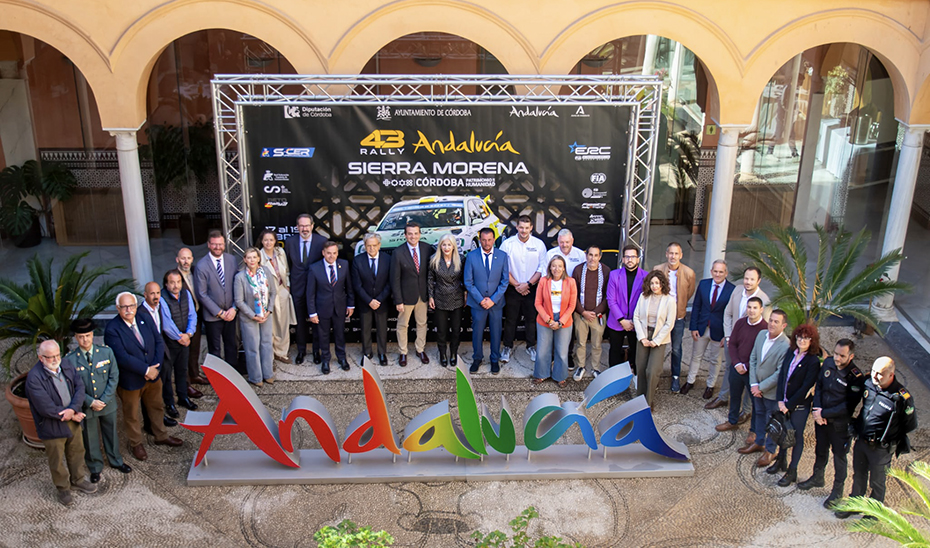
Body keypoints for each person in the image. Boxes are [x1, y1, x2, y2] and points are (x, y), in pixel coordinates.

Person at [104, 292, 183, 462]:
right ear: (118, 308)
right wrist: (146, 370)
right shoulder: (112, 329)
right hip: (131, 380)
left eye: (131, 306)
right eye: (124, 307)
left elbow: (158, 342)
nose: (128, 310)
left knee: (156, 407)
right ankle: (136, 444)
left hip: (153, 376)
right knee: (132, 414)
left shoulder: (145, 318)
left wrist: (156, 367)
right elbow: (122, 357)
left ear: (136, 305)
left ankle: (161, 436)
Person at [835, 357, 918, 519]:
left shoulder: (901, 398)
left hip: (881, 448)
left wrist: (890, 436)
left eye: (880, 374)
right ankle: (855, 504)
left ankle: (874, 512)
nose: (875, 376)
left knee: (877, 482)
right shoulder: (869, 383)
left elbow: (910, 425)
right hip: (862, 441)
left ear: (891, 375)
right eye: (873, 371)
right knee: (859, 475)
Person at [26, 340, 96, 506]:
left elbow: (80, 386)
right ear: (41, 358)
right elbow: (45, 407)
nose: (55, 359)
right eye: (50, 357)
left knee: (77, 451)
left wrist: (73, 408)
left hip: (72, 417)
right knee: (56, 459)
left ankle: (78, 480)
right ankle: (63, 488)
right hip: (51, 425)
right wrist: (72, 414)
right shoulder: (34, 378)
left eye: (57, 355)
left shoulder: (66, 364)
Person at [63, 319, 132, 484]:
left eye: (87, 335)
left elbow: (114, 377)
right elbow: (71, 385)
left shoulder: (106, 352)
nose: (85, 340)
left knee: (111, 433)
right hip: (87, 406)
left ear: (93, 335)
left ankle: (116, 460)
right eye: (81, 337)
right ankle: (95, 467)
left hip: (107, 403)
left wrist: (104, 399)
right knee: (90, 437)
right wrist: (90, 402)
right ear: (76, 337)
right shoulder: (70, 360)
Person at [798, 339, 865, 509]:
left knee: (839, 457)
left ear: (851, 356)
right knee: (820, 449)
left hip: (839, 424)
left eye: (842, 356)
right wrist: (817, 409)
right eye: (835, 354)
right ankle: (817, 477)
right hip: (821, 419)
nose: (837, 358)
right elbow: (819, 386)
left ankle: (837, 491)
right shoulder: (828, 363)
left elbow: (848, 406)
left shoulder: (855, 377)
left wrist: (824, 413)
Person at [706, 267, 770, 413]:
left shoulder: (765, 300)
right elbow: (727, 313)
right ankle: (723, 397)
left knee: (750, 376)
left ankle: (746, 410)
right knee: (730, 369)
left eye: (752, 279)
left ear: (759, 281)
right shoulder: (737, 290)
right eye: (746, 278)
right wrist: (728, 336)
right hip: (733, 342)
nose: (748, 282)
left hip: (751, 347)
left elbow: (765, 329)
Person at [769, 323, 821, 486]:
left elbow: (806, 387)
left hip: (798, 406)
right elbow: (782, 375)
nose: (802, 341)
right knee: (783, 433)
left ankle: (792, 470)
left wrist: (789, 405)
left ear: (812, 340)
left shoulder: (812, 361)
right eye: (799, 337)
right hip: (783, 402)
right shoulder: (791, 352)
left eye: (806, 338)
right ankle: (781, 460)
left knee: (796, 437)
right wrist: (780, 399)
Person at [715, 297, 768, 438]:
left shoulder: (765, 328)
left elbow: (762, 353)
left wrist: (746, 365)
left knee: (756, 403)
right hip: (737, 368)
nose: (751, 310)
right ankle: (732, 421)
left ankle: (754, 430)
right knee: (735, 396)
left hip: (753, 372)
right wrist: (737, 363)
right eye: (749, 307)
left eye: (755, 308)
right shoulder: (740, 323)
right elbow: (732, 343)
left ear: (761, 309)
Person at [682, 259, 735, 399]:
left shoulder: (732, 289)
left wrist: (727, 335)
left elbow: (731, 314)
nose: (718, 274)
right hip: (701, 327)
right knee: (696, 356)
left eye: (721, 272)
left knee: (715, 360)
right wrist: (693, 327)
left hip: (719, 330)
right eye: (715, 271)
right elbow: (696, 306)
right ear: (711, 271)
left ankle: (710, 385)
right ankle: (690, 381)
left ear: (726, 273)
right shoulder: (704, 284)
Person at [743, 309, 790, 467]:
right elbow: (753, 358)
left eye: (776, 322)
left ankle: (770, 450)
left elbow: (779, 373)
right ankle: (759, 442)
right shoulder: (761, 334)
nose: (772, 324)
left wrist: (761, 387)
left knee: (773, 421)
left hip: (771, 392)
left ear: (783, 326)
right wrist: (753, 384)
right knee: (759, 415)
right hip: (756, 388)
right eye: (771, 320)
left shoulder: (786, 345)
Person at [500, 215, 547, 364]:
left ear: (531, 228)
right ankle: (507, 347)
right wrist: (517, 285)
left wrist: (528, 284)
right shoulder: (507, 244)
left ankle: (530, 346)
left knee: (531, 320)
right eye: (521, 227)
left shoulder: (539, 244)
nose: (524, 230)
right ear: (517, 227)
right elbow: (503, 268)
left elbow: (542, 268)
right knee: (510, 320)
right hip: (512, 288)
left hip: (532, 289)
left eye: (527, 228)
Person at [463, 228, 510, 374]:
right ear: (479, 240)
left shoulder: (502, 256)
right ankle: (477, 358)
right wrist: (481, 300)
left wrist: (493, 300)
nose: (486, 243)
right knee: (477, 332)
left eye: (489, 240)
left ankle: (494, 359)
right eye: (483, 240)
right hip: (478, 304)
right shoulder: (471, 256)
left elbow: (505, 281)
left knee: (496, 332)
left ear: (494, 239)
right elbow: (468, 281)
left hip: (496, 304)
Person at [195, 230, 241, 373]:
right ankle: (217, 377)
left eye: (220, 244)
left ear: (224, 244)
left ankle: (232, 375)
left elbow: (237, 285)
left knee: (231, 345)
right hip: (213, 316)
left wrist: (234, 308)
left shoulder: (231, 259)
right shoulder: (201, 266)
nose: (217, 247)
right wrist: (219, 312)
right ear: (208, 244)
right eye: (214, 244)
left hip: (231, 313)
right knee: (215, 348)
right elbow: (202, 294)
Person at [653, 242, 695, 393]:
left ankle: (675, 376)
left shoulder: (689, 273)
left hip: (678, 317)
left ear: (681, 255)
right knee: (658, 347)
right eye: (671, 253)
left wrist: (680, 306)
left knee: (676, 348)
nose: (673, 256)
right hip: (660, 317)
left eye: (676, 253)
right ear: (666, 254)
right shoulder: (658, 269)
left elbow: (689, 292)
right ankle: (655, 377)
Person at [284, 214, 326, 365]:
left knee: (316, 322)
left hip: (316, 289)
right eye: (301, 226)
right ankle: (301, 350)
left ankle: (316, 351)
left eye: (307, 225)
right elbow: (288, 265)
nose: (304, 229)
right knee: (300, 322)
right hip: (297, 288)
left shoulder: (322, 241)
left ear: (312, 226)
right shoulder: (290, 242)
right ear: (297, 227)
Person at [308, 241, 355, 373]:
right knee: (323, 336)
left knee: (340, 334)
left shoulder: (344, 265)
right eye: (328, 253)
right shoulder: (314, 268)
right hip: (322, 308)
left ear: (337, 253)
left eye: (334, 253)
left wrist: (350, 305)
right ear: (323, 253)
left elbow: (349, 287)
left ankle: (342, 358)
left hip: (340, 307)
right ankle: (325, 360)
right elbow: (310, 293)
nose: (331, 256)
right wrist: (312, 313)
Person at [158, 271, 199, 422]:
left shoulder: (186, 294)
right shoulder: (162, 298)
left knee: (182, 371)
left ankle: (183, 397)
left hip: (185, 339)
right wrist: (180, 337)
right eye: (172, 282)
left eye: (178, 282)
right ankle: (169, 403)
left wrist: (189, 333)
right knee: (167, 375)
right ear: (166, 284)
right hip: (170, 343)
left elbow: (192, 315)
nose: (176, 286)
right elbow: (166, 323)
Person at [632, 271, 676, 407]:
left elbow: (669, 323)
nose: (654, 286)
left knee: (652, 371)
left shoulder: (669, 300)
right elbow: (636, 317)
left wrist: (656, 341)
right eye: (652, 283)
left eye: (657, 283)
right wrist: (642, 338)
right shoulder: (643, 297)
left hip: (659, 338)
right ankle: (639, 399)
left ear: (662, 283)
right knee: (640, 368)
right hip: (644, 335)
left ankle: (648, 402)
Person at [532, 256, 577, 387]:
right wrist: (548, 320)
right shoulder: (543, 281)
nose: (556, 269)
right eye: (554, 266)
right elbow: (538, 303)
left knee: (561, 351)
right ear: (550, 268)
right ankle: (541, 374)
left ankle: (560, 376)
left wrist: (560, 322)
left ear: (564, 268)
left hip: (564, 320)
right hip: (545, 319)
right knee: (542, 350)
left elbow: (572, 305)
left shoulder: (571, 282)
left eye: (559, 266)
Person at [234, 247, 278, 386]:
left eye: (254, 257)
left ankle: (268, 374)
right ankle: (256, 377)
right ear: (244, 259)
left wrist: (269, 310)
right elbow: (239, 301)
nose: (252, 260)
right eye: (249, 257)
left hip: (266, 315)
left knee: (266, 344)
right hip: (249, 317)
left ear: (259, 258)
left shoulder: (266, 271)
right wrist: (253, 315)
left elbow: (273, 292)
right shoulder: (240, 277)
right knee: (252, 347)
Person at [391, 222, 432, 366]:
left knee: (422, 323)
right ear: (405, 235)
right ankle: (403, 352)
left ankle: (420, 349)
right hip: (405, 297)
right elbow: (395, 279)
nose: (413, 236)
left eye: (415, 233)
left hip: (423, 295)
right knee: (403, 325)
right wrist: (398, 300)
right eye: (410, 234)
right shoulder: (398, 253)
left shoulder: (427, 248)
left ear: (420, 234)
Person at [546, 229, 587, 371]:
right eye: (562, 242)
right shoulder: (550, 254)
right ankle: (552, 355)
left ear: (572, 241)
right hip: (552, 297)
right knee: (551, 327)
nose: (564, 245)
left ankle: (568, 355)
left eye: (567, 242)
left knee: (569, 328)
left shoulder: (580, 254)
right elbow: (545, 275)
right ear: (558, 241)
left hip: (572, 297)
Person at [606, 244, 648, 372]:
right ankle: (614, 375)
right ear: (623, 259)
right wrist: (622, 320)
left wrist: (634, 321)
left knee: (636, 352)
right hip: (617, 321)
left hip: (637, 322)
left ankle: (635, 375)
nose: (630, 259)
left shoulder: (646, 276)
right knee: (615, 351)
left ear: (638, 259)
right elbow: (611, 300)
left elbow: (646, 301)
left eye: (633, 257)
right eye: (627, 257)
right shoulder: (614, 275)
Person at [352, 233, 392, 366]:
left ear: (379, 245)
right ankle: (367, 353)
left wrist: (379, 300)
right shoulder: (358, 260)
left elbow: (390, 283)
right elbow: (357, 285)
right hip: (365, 302)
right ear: (365, 246)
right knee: (365, 329)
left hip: (382, 301)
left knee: (382, 329)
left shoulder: (388, 259)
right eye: (369, 245)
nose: (372, 248)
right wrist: (369, 300)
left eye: (374, 245)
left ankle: (382, 353)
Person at [571, 246, 609, 381]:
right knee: (580, 342)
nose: (593, 258)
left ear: (600, 257)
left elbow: (608, 295)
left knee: (597, 344)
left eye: (596, 255)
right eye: (590, 255)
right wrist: (582, 311)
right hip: (580, 313)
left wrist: (595, 312)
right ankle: (580, 366)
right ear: (586, 255)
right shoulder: (578, 270)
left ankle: (595, 368)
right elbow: (573, 294)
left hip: (598, 315)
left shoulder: (606, 271)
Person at [259, 229, 297, 363]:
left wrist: (287, 287)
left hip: (282, 291)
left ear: (275, 241)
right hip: (267, 294)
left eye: (271, 240)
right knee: (270, 326)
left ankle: (281, 352)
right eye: (265, 240)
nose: (268, 243)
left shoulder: (280, 252)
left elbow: (286, 271)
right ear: (261, 241)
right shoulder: (259, 255)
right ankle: (270, 356)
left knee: (283, 324)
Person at [428, 233, 466, 368]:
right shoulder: (434, 260)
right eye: (444, 245)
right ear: (440, 246)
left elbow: (465, 279)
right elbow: (430, 279)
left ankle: (453, 353)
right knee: (441, 330)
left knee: (456, 329)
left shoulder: (461, 259)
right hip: (440, 299)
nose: (446, 247)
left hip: (457, 299)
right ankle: (443, 354)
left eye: (449, 245)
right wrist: (430, 296)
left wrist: (465, 294)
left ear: (453, 246)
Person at [176, 247, 206, 396]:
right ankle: (186, 384)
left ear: (192, 259)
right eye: (183, 258)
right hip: (182, 319)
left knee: (195, 348)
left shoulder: (195, 271)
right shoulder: (174, 276)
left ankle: (194, 375)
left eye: (188, 258)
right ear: (177, 260)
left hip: (197, 315)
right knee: (184, 352)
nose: (186, 261)